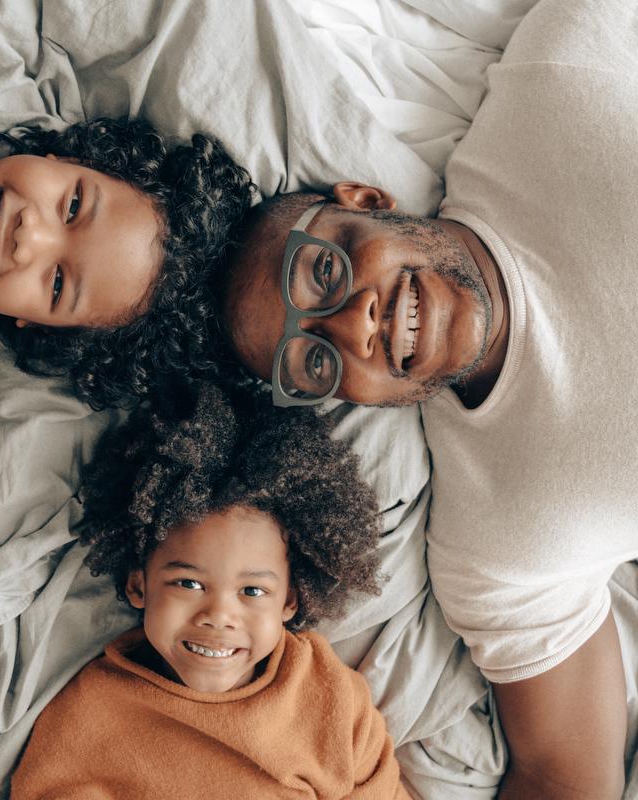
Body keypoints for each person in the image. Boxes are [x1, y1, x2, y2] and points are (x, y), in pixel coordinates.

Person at [213, 1, 638, 798]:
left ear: (367, 201)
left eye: (325, 273)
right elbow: (565, 775)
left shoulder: (557, 84)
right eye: (315, 361)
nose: (353, 326)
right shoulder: (495, 539)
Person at [0, 0, 253, 487]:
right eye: (74, 205)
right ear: (66, 158)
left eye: (57, 283)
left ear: (36, 324)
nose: (29, 236)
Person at [10, 382, 412, 799]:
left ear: (289, 599)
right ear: (138, 584)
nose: (219, 615)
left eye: (253, 591)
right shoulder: (90, 715)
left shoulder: (329, 699)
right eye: (189, 583)